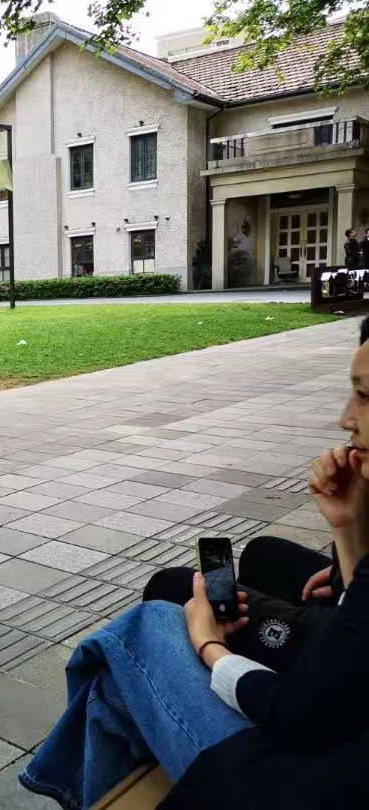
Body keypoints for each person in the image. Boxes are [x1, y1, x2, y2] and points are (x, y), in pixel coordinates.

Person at [19, 319, 369, 810]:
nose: (345, 418)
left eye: (365, 395)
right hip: (335, 720)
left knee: (148, 626)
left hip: (299, 780)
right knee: (260, 554)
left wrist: (208, 646)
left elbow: (303, 714)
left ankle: (83, 788)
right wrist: (349, 535)